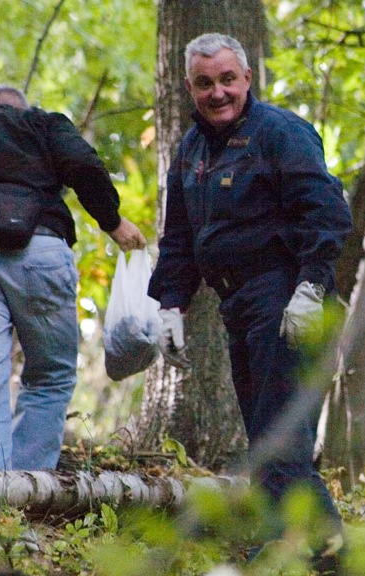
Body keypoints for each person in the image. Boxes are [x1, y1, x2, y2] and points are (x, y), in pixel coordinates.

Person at [147, 33, 352, 573]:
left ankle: (309, 555)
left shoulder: (279, 132)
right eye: (205, 83)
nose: (217, 93)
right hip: (238, 305)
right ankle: (307, 552)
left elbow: (327, 211)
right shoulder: (190, 152)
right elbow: (179, 238)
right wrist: (170, 304)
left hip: (286, 297)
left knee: (280, 441)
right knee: (269, 439)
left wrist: (310, 286)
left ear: (247, 78)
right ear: (189, 87)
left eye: (227, 80)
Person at [0, 84, 146, 471]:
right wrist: (111, 221)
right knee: (50, 375)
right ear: (22, 110)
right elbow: (83, 164)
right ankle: (31, 486)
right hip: (38, 251)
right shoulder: (42, 125)